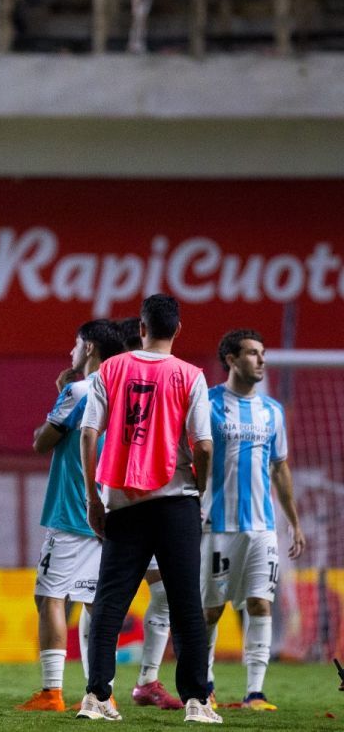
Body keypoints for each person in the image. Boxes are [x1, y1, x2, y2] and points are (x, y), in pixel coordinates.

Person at [78, 294, 220, 723]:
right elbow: (204, 446)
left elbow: (88, 434)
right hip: (176, 501)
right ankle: (197, 702)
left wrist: (93, 497)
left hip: (122, 501)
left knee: (110, 602)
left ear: (140, 328)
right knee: (185, 602)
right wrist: (199, 486)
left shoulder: (110, 369)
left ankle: (96, 697)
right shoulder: (190, 376)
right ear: (177, 330)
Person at [17, 319, 123, 712]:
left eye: (76, 345)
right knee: (96, 604)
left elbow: (41, 442)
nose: (71, 352)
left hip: (73, 512)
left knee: (50, 596)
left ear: (90, 348)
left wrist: (61, 395)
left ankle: (51, 692)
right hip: (111, 512)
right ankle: (104, 692)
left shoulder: (78, 390)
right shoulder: (121, 392)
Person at [203, 329, 306, 710]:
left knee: (260, 604)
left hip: (262, 527)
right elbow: (189, 458)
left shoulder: (272, 411)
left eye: (262, 353)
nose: (261, 360)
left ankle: (255, 693)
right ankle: (204, 685)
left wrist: (293, 522)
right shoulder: (208, 404)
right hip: (216, 526)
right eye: (251, 353)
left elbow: (280, 468)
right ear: (231, 359)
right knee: (211, 610)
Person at [115, 317, 183, 711]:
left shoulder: (167, 385)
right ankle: (98, 684)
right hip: (116, 502)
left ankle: (147, 681)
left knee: (163, 593)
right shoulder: (109, 384)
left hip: (155, 501)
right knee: (101, 597)